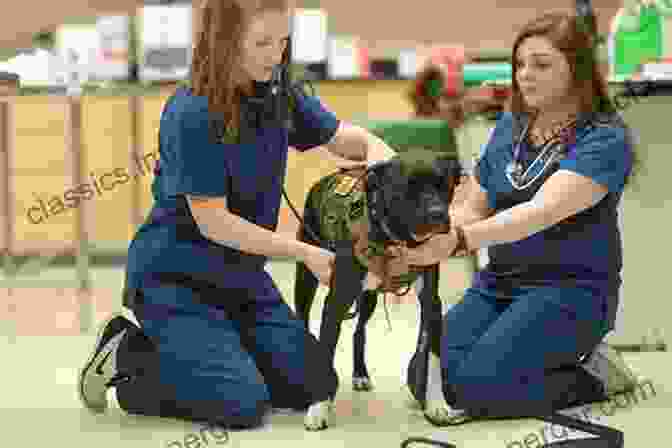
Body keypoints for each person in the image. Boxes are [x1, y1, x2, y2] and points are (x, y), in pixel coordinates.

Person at [77, 0, 397, 431]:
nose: (276, 55)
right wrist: (304, 252)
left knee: (313, 384)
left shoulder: (279, 91)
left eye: (283, 41)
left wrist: (383, 159)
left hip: (240, 278)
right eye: (262, 42)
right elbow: (214, 222)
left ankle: (216, 355)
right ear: (224, 40)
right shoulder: (192, 111)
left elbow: (342, 139)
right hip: (175, 279)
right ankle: (129, 352)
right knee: (241, 404)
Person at [403, 11, 641, 426]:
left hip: (571, 291)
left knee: (480, 387)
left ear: (577, 71)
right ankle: (524, 369)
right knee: (424, 377)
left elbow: (540, 212)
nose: (524, 75)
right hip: (501, 284)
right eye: (520, 64)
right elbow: (472, 205)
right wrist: (431, 232)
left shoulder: (604, 136)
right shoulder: (512, 125)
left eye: (541, 65)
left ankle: (598, 376)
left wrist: (461, 241)